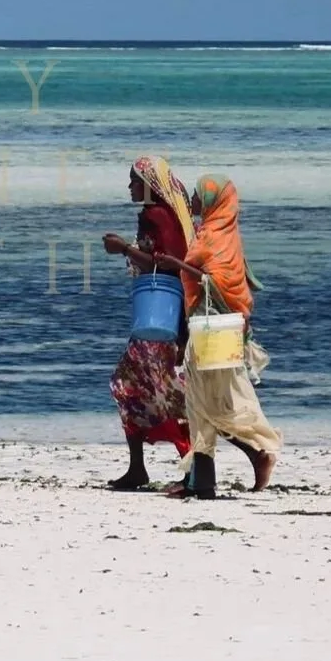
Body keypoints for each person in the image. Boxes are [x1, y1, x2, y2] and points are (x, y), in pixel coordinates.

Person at [100, 157, 199, 491]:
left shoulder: (158, 215)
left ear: (149, 184)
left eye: (134, 180)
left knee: (160, 392)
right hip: (165, 317)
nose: (130, 187)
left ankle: (189, 471)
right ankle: (139, 468)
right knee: (134, 386)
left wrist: (124, 249)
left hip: (161, 318)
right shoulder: (164, 215)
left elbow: (169, 265)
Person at [181, 173, 282, 490]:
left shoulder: (212, 237)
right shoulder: (221, 234)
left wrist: (173, 262)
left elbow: (215, 280)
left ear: (212, 201)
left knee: (210, 402)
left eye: (198, 195)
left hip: (214, 328)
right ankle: (202, 483)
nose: (193, 199)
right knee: (199, 400)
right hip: (208, 327)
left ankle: (256, 452)